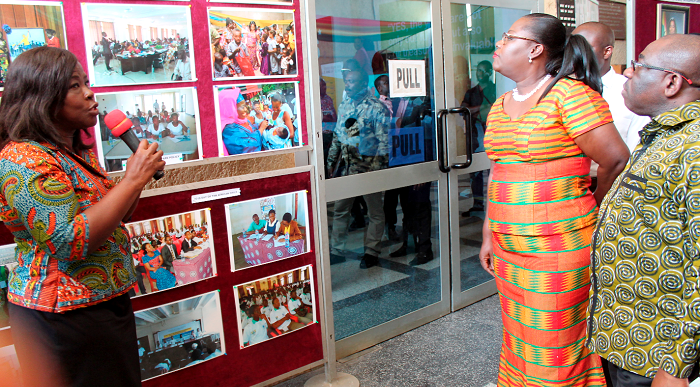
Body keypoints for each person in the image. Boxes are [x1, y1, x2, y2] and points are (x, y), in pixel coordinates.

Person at [478, 14, 629, 386]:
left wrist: (591, 202)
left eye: (507, 37)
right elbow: (498, 172)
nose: (498, 44)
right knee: (520, 335)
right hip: (509, 246)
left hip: (557, 247)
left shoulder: (570, 95)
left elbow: (615, 158)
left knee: (554, 340)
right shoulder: (500, 105)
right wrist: (488, 234)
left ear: (534, 49)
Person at [0, 46, 165, 387]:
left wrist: (139, 178)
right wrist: (133, 178)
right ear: (42, 95)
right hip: (61, 314)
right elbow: (70, 240)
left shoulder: (70, 153)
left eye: (87, 82)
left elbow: (114, 216)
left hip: (101, 303)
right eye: (75, 85)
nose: (90, 93)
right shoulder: (23, 158)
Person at [587, 34, 700, 387]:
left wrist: (675, 365)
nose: (628, 72)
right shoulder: (664, 134)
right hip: (626, 336)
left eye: (639, 64)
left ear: (671, 82)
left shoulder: (693, 148)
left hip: (654, 351)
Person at [573, 22, 651, 190]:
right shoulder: (562, 91)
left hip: (611, 184)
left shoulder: (629, 91)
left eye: (586, 49)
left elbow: (635, 152)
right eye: (573, 49)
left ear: (607, 51)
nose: (577, 56)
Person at [327, 69, 390, 268]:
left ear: (363, 83)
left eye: (352, 81)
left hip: (369, 169)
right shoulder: (345, 103)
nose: (347, 84)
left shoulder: (375, 107)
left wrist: (380, 171)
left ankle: (372, 251)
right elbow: (338, 136)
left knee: (375, 212)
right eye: (346, 81)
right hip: (348, 168)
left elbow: (383, 142)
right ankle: (337, 250)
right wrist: (330, 164)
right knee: (340, 209)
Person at [461, 60, 496, 216]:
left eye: (482, 70)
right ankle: (477, 203)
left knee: (493, 171)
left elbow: (497, 108)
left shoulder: (495, 89)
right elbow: (463, 110)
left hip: (492, 134)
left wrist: (475, 110)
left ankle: (493, 205)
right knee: (475, 172)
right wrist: (481, 108)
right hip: (475, 135)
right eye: (478, 70)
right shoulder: (471, 92)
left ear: (489, 72)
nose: (479, 73)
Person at [219, 88, 268, 155]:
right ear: (231, 108)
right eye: (242, 107)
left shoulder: (241, 120)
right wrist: (260, 130)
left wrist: (258, 125)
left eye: (245, 106)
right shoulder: (228, 129)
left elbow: (248, 129)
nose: (245, 110)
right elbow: (246, 147)